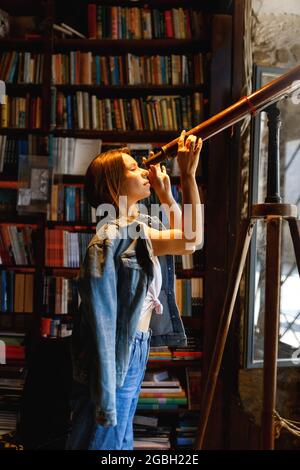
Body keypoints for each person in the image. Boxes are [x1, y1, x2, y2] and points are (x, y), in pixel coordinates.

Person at [66, 130, 203, 450]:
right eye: (132, 168)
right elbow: (101, 324)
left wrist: (174, 191)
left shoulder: (139, 227)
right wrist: (187, 176)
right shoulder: (115, 235)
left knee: (118, 441)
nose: (144, 171)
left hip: (136, 346)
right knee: (104, 441)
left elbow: (192, 242)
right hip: (115, 352)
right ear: (113, 185)